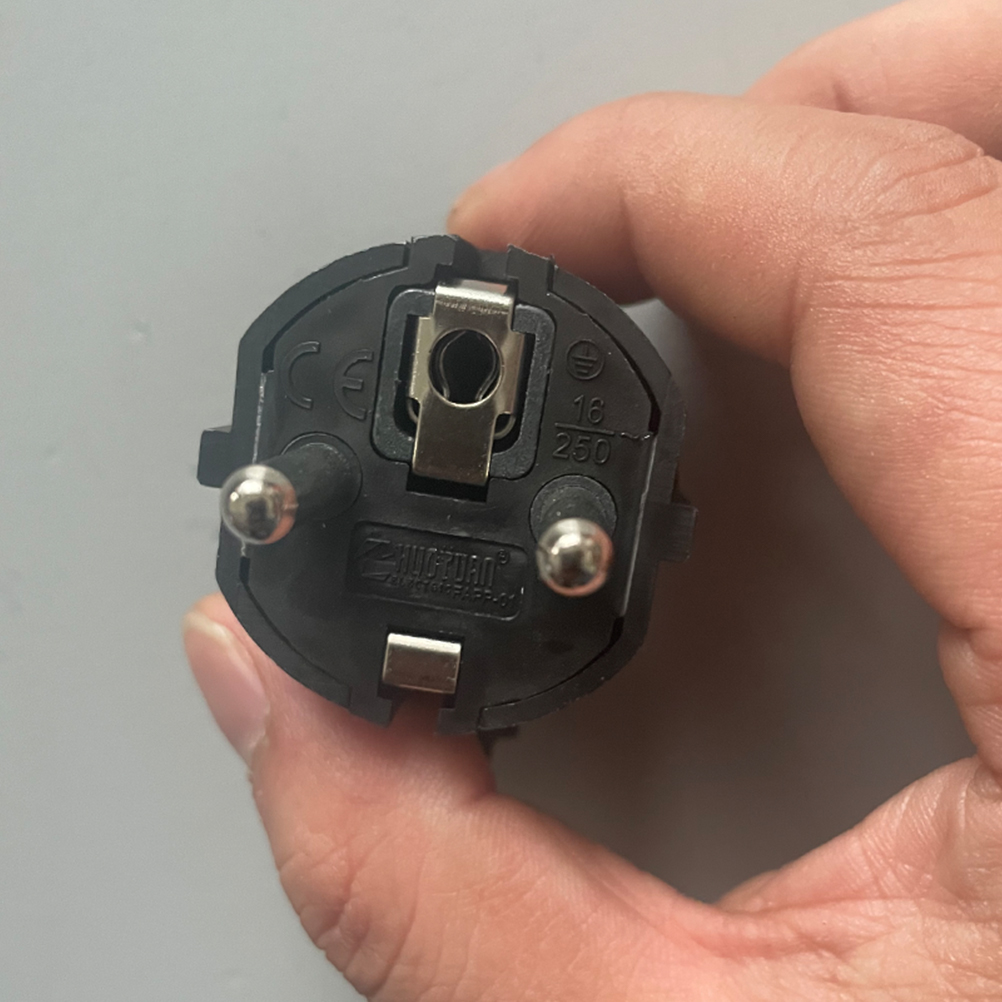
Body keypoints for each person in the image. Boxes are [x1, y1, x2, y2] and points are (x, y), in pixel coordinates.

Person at [182, 0, 1002, 996]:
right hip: (471, 616)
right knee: (559, 542)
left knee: (558, 540)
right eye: (268, 495)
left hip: (504, 628)